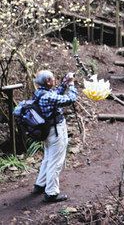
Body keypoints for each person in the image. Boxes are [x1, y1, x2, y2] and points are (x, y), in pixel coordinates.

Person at [32, 70, 77, 203]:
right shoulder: (48, 97)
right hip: (55, 132)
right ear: (47, 81)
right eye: (53, 78)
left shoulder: (40, 93)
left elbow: (55, 94)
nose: (55, 80)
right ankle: (51, 193)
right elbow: (70, 99)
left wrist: (65, 83)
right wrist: (72, 85)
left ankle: (40, 185)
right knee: (56, 162)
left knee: (48, 158)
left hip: (46, 131)